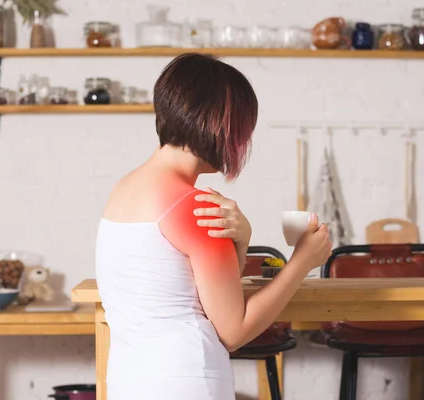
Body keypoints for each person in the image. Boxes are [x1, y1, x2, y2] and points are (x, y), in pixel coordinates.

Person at [96, 53, 332, 399]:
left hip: (129, 380)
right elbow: (234, 330)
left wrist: (241, 241)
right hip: (188, 379)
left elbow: (198, 296)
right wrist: (302, 262)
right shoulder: (194, 207)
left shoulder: (123, 189)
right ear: (217, 124)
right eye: (242, 129)